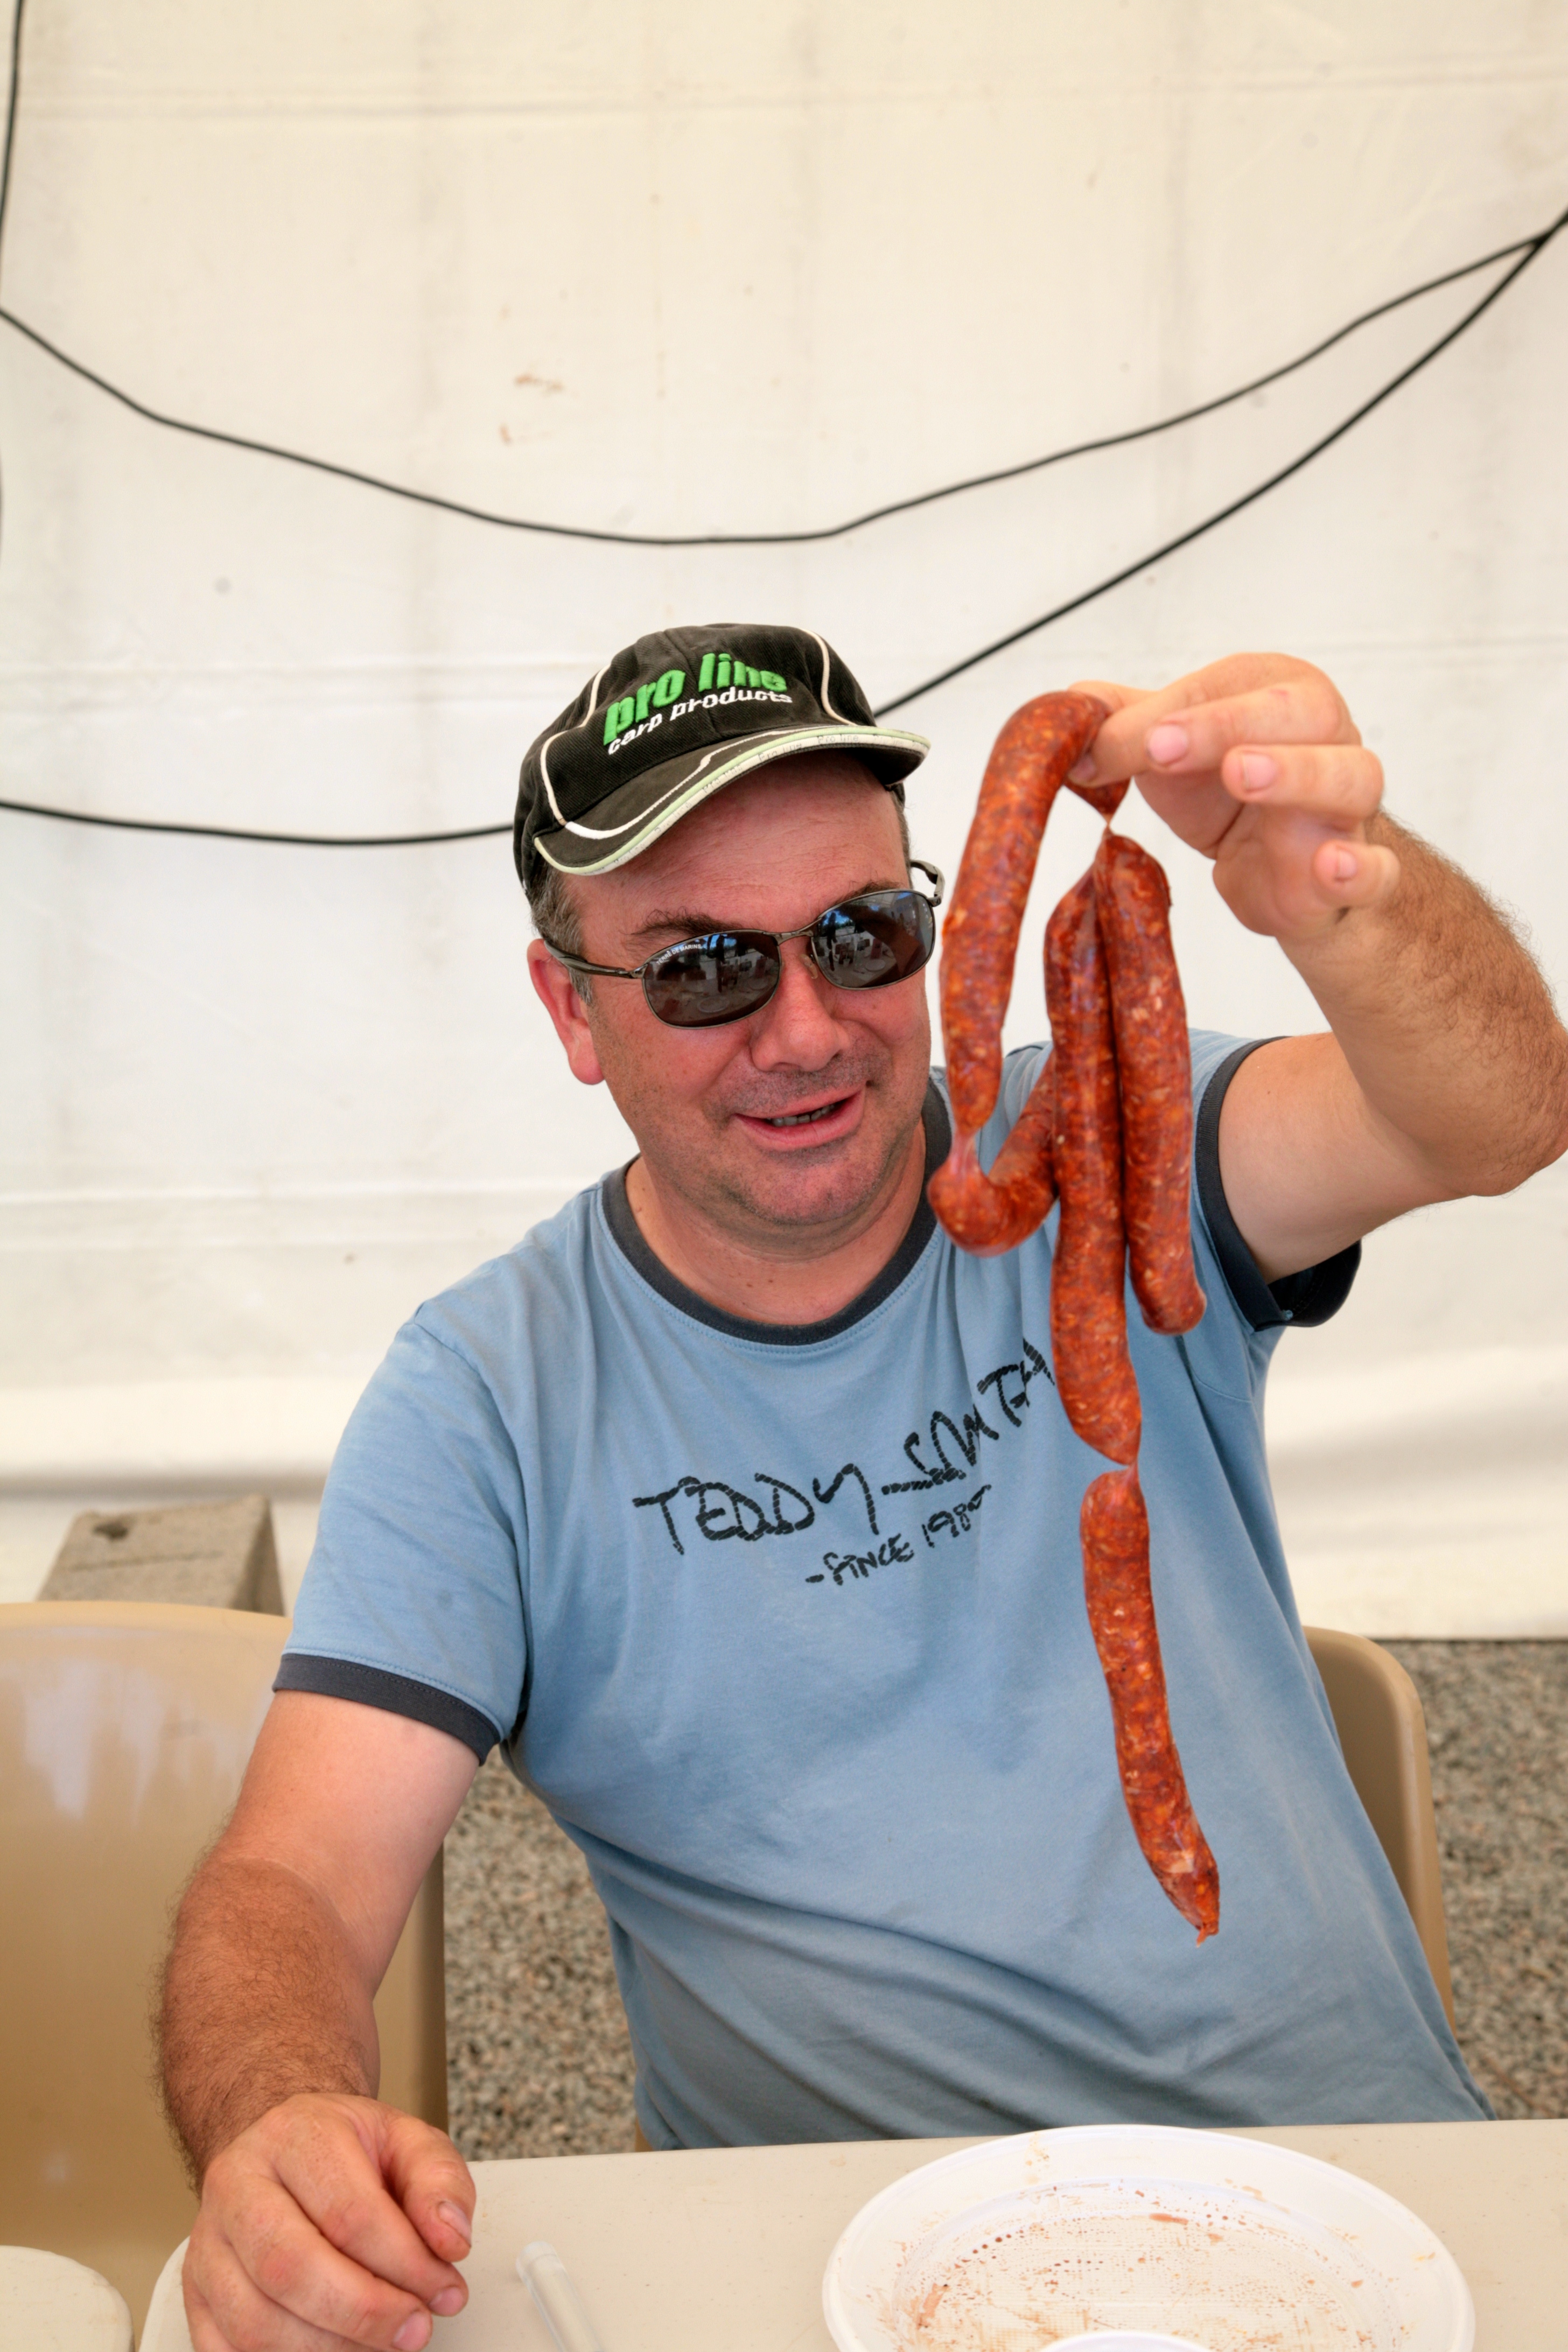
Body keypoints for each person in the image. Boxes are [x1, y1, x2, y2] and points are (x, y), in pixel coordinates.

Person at [160, 623, 1568, 2352]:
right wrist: (275, 2118)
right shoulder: (485, 1402)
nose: (806, 1030)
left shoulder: (1112, 1133)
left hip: (1352, 2192)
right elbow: (291, 1881)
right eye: (700, 973)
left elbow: (1495, 1119)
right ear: (571, 1012)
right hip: (858, 2272)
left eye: (859, 935)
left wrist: (1340, 886)